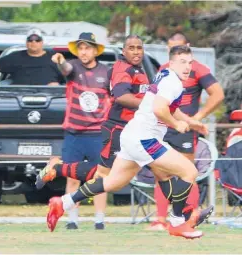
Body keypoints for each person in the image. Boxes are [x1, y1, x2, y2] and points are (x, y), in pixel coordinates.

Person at [39, 45, 214, 239]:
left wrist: (190, 122)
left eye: (190, 62)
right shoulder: (172, 82)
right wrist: (176, 124)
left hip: (132, 135)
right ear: (171, 62)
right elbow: (159, 109)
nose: (187, 66)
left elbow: (167, 106)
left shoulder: (165, 74)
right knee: (189, 171)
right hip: (144, 138)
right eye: (182, 62)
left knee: (112, 182)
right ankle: (178, 221)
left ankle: (63, 203)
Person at [150, 32, 224, 230]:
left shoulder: (198, 69)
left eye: (180, 47)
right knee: (161, 173)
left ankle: (190, 215)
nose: (175, 51)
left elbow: (218, 94)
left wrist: (197, 119)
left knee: (186, 173)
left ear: (188, 47)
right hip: (164, 126)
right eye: (171, 48)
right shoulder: (164, 69)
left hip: (184, 130)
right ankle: (160, 219)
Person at [48, 32, 111, 230]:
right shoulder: (73, 67)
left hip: (98, 133)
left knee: (99, 179)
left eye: (88, 48)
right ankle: (72, 219)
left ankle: (99, 219)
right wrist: (59, 60)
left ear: (95, 50)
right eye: (81, 48)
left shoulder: (107, 72)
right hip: (74, 133)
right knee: (72, 177)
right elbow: (65, 68)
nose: (84, 52)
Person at [0, 28, 64, 86]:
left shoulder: (55, 57)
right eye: (30, 40)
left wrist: (57, 88)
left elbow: (70, 75)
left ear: (42, 42)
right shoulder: (15, 57)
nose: (33, 42)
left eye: (37, 40)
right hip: (17, 96)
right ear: (26, 42)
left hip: (52, 96)